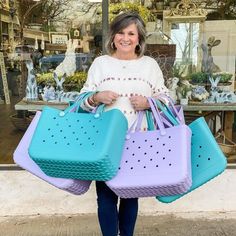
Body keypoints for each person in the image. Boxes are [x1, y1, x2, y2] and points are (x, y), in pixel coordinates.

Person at [79, 12, 169, 236]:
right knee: (106, 198)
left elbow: (167, 100)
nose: (125, 38)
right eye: (121, 32)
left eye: (131, 33)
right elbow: (80, 103)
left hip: (139, 139)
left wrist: (148, 102)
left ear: (139, 39)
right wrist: (96, 97)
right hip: (105, 142)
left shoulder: (149, 65)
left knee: (130, 196)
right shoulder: (101, 64)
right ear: (113, 36)